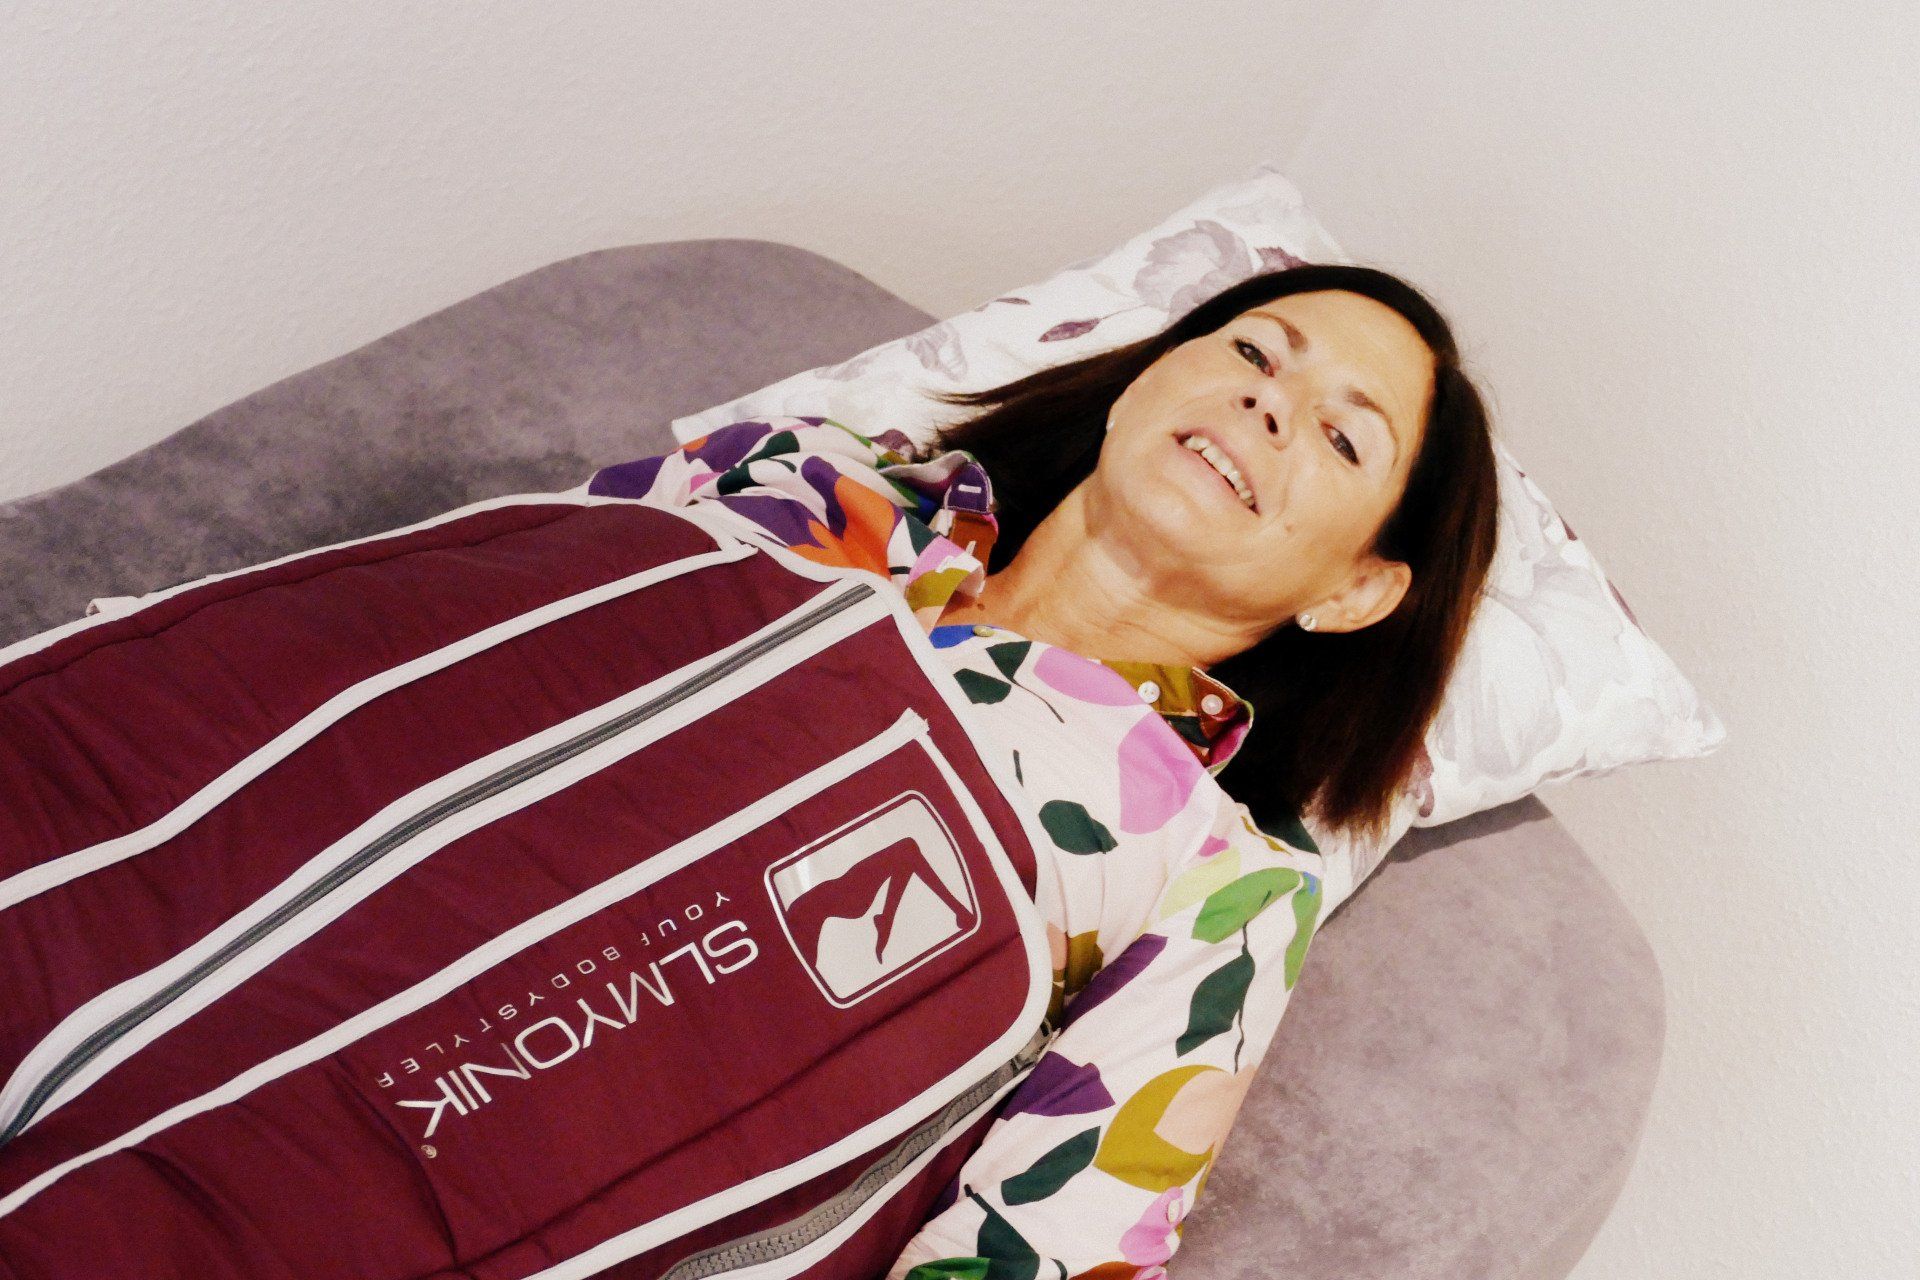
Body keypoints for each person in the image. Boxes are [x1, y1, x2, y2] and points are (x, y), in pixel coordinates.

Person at [585, 261, 1500, 1280]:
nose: (1269, 403)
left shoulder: (1222, 881)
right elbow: (483, 622)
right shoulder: (802, 480)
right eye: (1254, 352)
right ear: (1144, 376)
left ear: (1355, 591)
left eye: (1342, 437)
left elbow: (1032, 1253)